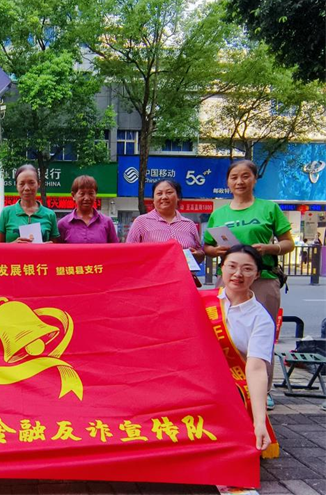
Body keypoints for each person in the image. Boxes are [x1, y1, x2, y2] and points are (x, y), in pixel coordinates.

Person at [204, 160, 294, 409]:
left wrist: (269, 248)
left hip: (263, 278)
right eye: (234, 177)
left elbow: (288, 243)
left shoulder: (269, 208)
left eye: (245, 176)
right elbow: (207, 246)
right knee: (225, 331)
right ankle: (227, 384)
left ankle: (263, 390)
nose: (239, 181)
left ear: (255, 179)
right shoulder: (219, 213)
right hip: (229, 281)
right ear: (227, 182)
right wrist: (214, 250)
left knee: (262, 335)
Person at [200, 245, 275, 453]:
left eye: (247, 269)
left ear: (257, 274)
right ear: (221, 268)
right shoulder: (201, 300)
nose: (238, 274)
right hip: (198, 377)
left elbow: (256, 368)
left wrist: (260, 422)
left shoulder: (260, 319)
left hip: (231, 383)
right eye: (232, 266)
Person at [126, 180, 205, 263]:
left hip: (184, 271)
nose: (164, 197)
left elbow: (200, 252)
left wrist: (198, 255)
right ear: (153, 199)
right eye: (159, 193)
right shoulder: (141, 222)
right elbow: (128, 253)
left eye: (169, 192)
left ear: (178, 197)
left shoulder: (189, 224)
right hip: (152, 271)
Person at [0, 164, 60, 243]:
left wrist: (47, 246)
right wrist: (13, 245)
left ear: (39, 184)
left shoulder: (50, 215)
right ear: (16, 186)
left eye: (31, 183)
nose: (27, 188)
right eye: (21, 184)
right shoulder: (6, 213)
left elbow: (55, 246)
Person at [58, 175, 119, 244]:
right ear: (73, 195)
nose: (87, 198)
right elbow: (57, 249)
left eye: (91, 193)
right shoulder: (62, 224)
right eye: (82, 194)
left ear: (96, 195)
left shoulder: (107, 222)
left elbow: (115, 248)